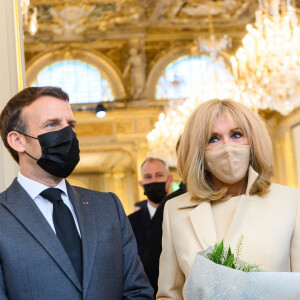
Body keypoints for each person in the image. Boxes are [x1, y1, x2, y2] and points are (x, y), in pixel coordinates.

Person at [0, 86, 153, 300]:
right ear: (18, 140)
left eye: (70, 124)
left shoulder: (109, 207)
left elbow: (137, 291)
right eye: (52, 124)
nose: (68, 134)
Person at [156, 99, 300, 299]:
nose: (227, 147)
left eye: (236, 135)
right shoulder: (175, 210)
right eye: (213, 139)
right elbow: (169, 295)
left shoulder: (291, 201)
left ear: (253, 142)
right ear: (198, 152)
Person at [128, 157, 173, 259]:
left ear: (170, 179)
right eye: (148, 177)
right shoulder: (130, 222)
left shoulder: (183, 215)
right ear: (141, 184)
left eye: (159, 175)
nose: (154, 181)